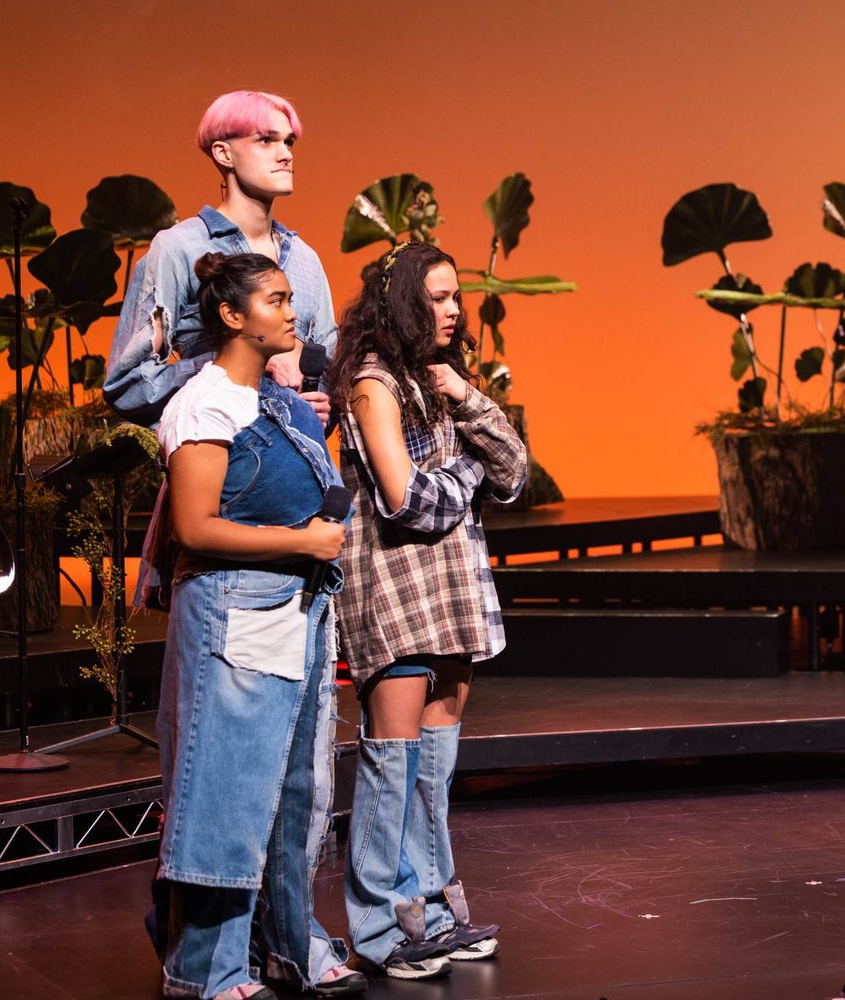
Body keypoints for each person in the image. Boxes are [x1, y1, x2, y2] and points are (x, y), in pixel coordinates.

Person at [152, 253, 365, 999]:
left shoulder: (269, 400)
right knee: (229, 789)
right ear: (234, 317)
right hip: (235, 606)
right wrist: (303, 541)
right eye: (276, 300)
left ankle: (282, 943)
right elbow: (196, 527)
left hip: (292, 607)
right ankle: (203, 966)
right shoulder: (205, 403)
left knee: (292, 790)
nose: (292, 312)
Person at [327, 241, 529, 979]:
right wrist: (471, 469)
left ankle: (432, 910)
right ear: (406, 302)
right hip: (393, 586)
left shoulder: (440, 380)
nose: (453, 310)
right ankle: (379, 926)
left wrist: (468, 402)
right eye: (438, 298)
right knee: (392, 762)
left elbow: (514, 472)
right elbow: (406, 499)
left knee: (433, 768)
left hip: (449, 589)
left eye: (456, 297)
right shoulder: (373, 383)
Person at [105, 90, 335, 428]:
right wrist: (236, 365)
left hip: (294, 460)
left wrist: (321, 404)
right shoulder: (178, 247)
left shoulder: (306, 260)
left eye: (289, 142)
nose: (285, 154)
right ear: (223, 153)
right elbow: (127, 384)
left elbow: (329, 365)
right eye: (266, 141)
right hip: (221, 457)